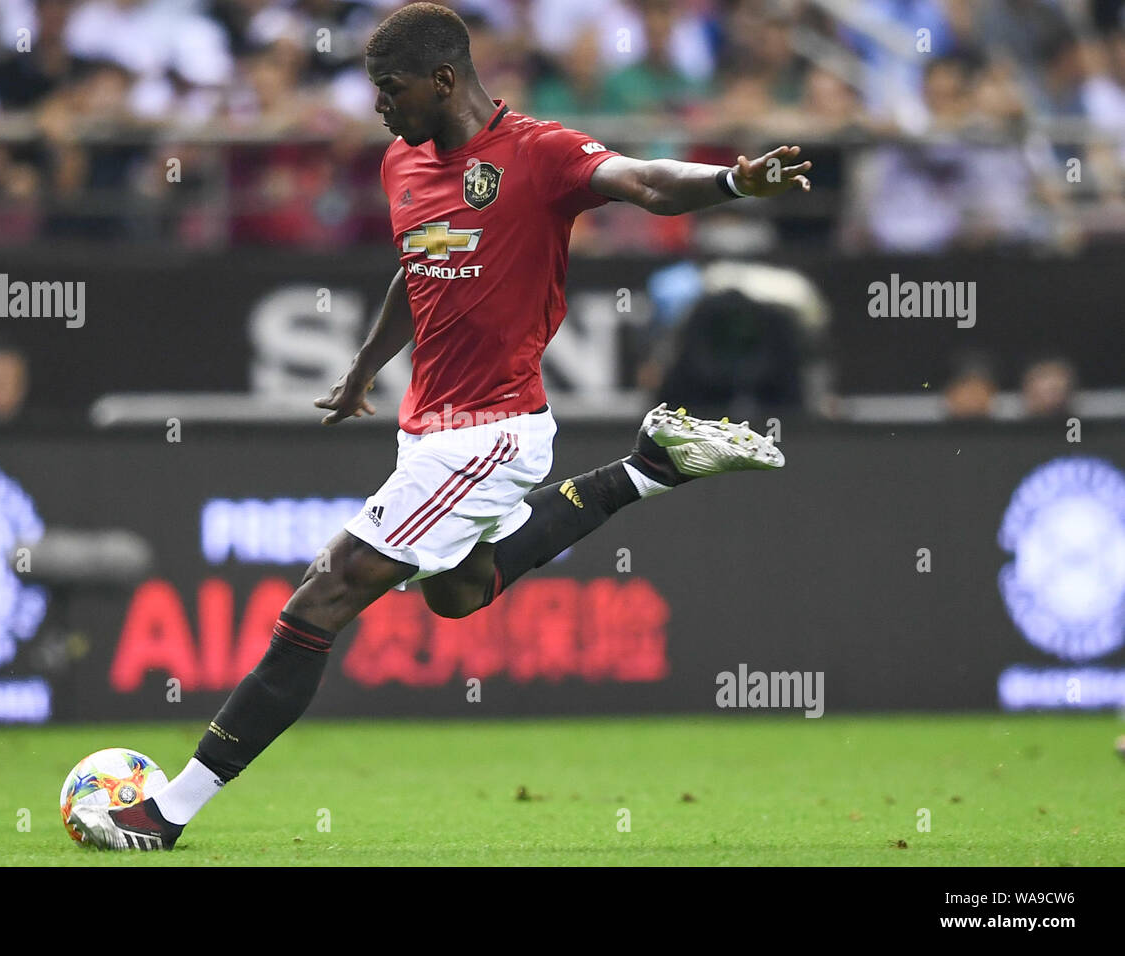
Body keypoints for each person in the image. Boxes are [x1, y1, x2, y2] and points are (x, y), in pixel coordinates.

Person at [70, 2, 809, 851]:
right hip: (430, 429)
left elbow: (642, 182)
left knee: (328, 589)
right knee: (459, 593)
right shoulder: (401, 163)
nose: (380, 107)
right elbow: (417, 265)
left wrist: (730, 183)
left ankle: (168, 811)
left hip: (490, 430)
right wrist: (364, 366)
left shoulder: (540, 154)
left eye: (390, 89)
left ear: (444, 79)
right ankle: (649, 467)